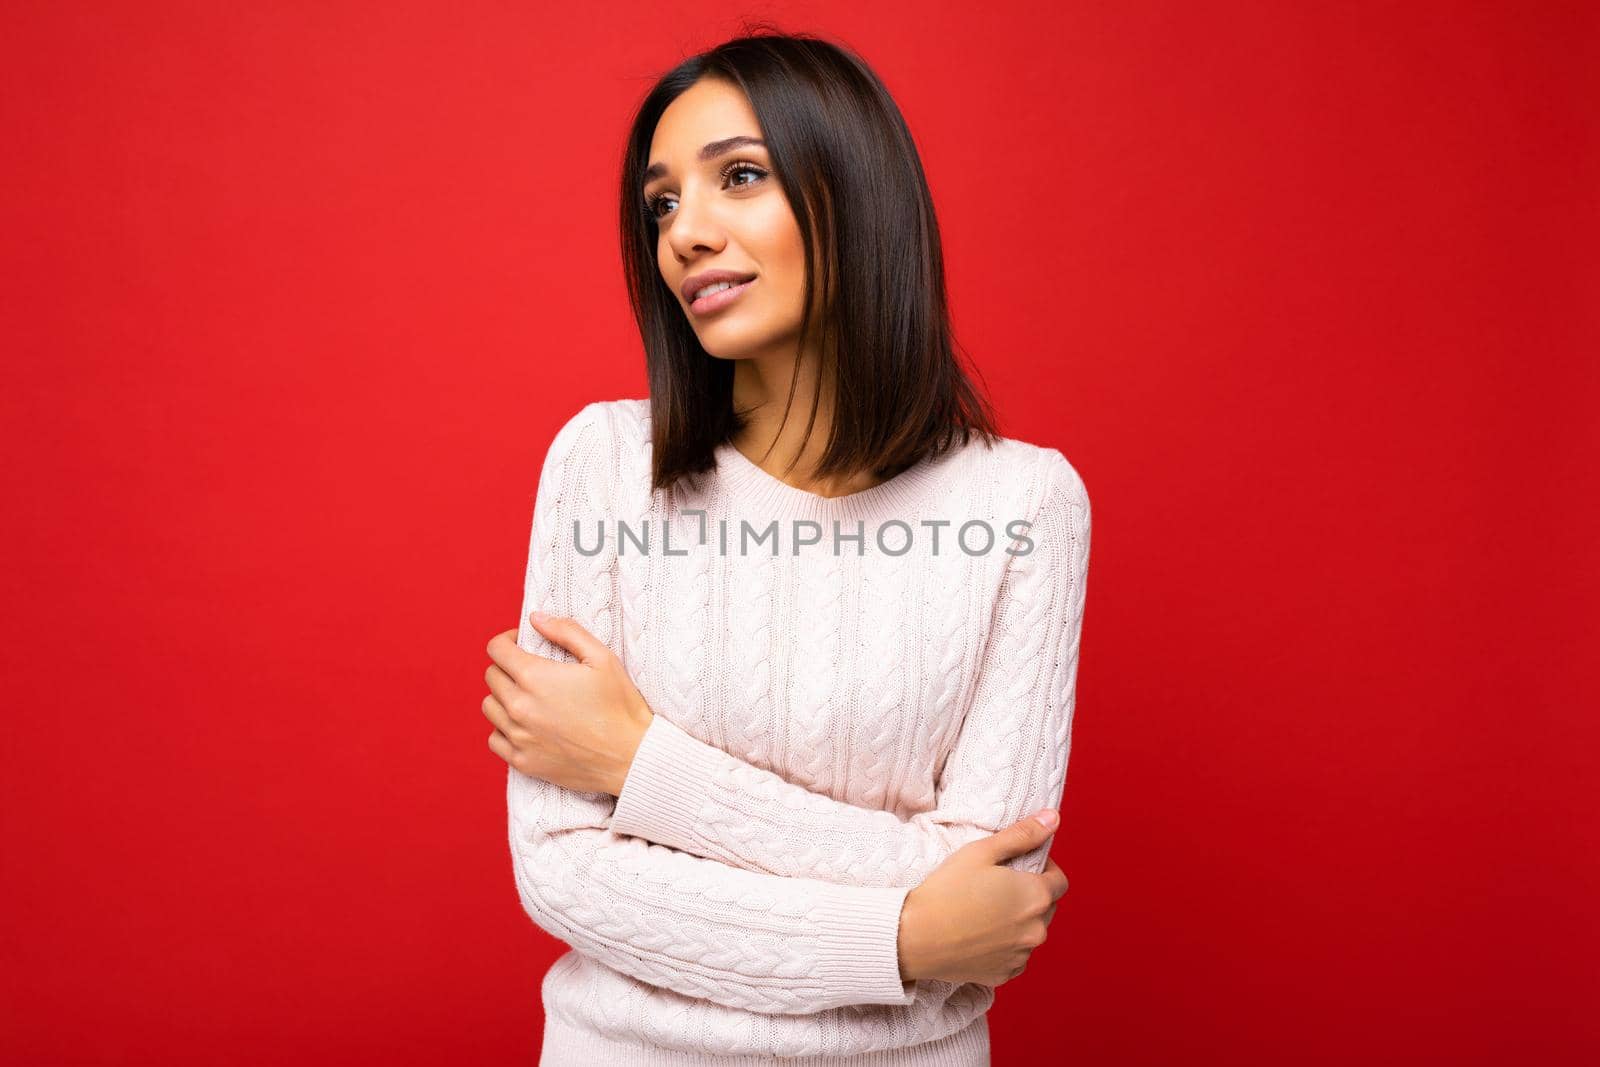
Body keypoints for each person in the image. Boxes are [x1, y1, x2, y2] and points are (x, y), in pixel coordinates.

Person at [481, 29, 1091, 1065]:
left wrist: (642, 765)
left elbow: (981, 893)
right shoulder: (604, 465)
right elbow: (566, 872)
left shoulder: (1023, 502)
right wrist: (895, 936)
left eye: (741, 177)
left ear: (856, 196)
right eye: (662, 201)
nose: (683, 231)